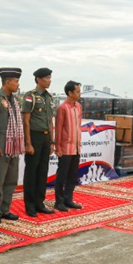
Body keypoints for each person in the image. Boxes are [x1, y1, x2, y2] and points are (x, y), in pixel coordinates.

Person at [0, 67, 25, 224]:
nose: (17, 84)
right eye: (16, 81)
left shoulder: (15, 101)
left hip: (13, 147)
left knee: (11, 180)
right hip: (1, 145)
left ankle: (4, 209)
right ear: (7, 82)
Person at [21, 68, 55, 217]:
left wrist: (52, 142)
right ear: (38, 79)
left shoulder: (49, 97)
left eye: (50, 77)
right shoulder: (31, 96)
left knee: (43, 172)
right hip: (34, 137)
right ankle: (30, 205)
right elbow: (26, 121)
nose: (50, 80)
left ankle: (39, 203)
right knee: (31, 172)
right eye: (47, 78)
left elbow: (50, 121)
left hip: (46, 138)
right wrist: (28, 143)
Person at [54, 80, 84, 211]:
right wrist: (58, 146)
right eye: (77, 91)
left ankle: (68, 199)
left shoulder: (78, 107)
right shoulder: (62, 108)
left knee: (72, 175)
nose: (79, 94)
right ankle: (59, 201)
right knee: (62, 175)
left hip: (76, 147)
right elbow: (59, 128)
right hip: (65, 148)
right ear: (70, 93)